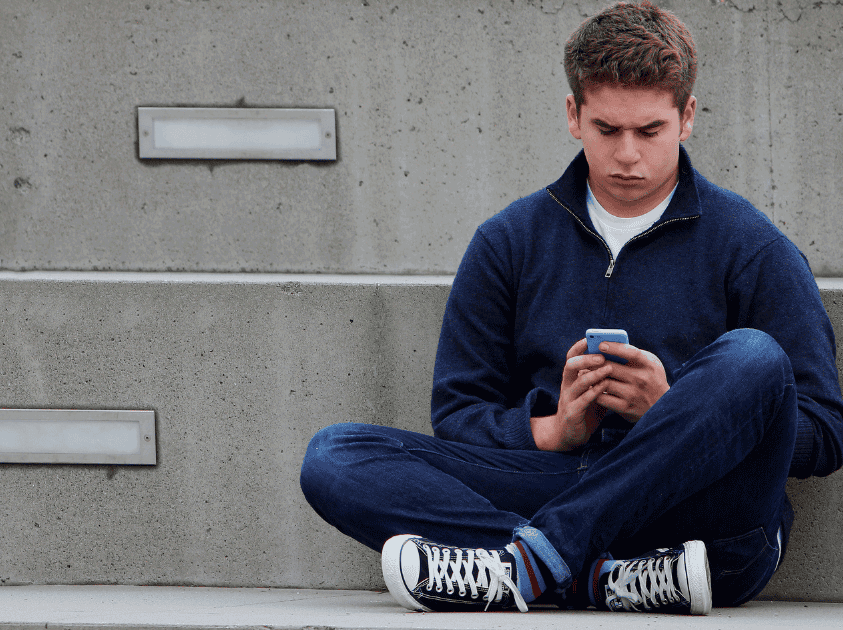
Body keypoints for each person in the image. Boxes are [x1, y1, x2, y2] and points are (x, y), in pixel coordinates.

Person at [300, 1, 843, 615]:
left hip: (701, 518)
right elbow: (457, 413)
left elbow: (825, 431)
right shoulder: (510, 240)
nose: (628, 155)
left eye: (650, 131)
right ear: (573, 115)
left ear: (687, 117)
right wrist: (555, 429)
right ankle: (588, 577)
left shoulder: (750, 245)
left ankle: (530, 562)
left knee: (754, 357)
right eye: (607, 130)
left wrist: (675, 416)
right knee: (335, 457)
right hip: (567, 490)